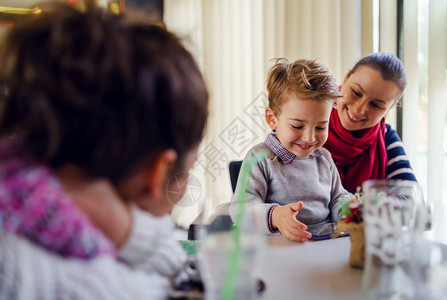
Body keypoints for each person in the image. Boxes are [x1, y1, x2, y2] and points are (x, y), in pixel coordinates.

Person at [0, 0, 208, 296]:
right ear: (158, 172)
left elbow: (172, 263)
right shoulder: (91, 287)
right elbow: (170, 280)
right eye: (193, 164)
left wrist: (125, 228)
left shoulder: (21, 181)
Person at [231, 58, 349, 242]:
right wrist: (275, 216)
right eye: (297, 126)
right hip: (278, 247)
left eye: (320, 127)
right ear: (272, 118)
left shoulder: (324, 158)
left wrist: (347, 210)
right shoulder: (260, 159)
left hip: (322, 245)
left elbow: (337, 197)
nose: (310, 138)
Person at [323, 52, 417, 193]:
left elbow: (409, 196)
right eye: (356, 92)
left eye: (376, 105)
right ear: (346, 77)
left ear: (389, 109)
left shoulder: (386, 138)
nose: (359, 109)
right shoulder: (306, 123)